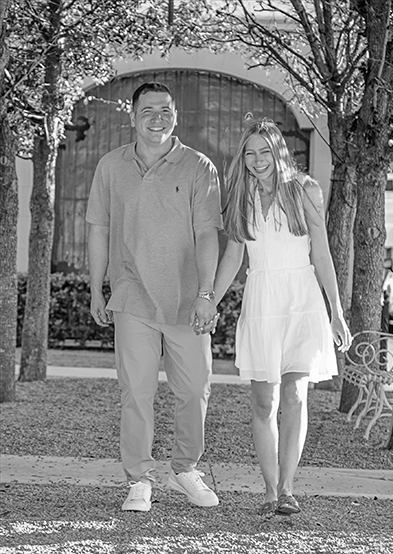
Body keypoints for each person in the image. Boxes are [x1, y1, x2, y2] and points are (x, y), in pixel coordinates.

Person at [86, 81, 223, 512]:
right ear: (133, 115)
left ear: (176, 115)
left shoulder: (199, 166)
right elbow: (98, 230)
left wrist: (206, 293)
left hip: (187, 301)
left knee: (195, 390)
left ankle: (186, 470)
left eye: (166, 109)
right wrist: (96, 288)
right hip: (132, 298)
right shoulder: (110, 166)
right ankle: (139, 480)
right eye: (148, 110)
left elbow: (207, 233)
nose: (158, 117)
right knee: (136, 392)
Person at [207, 121, 350, 515]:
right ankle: (269, 489)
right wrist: (211, 301)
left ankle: (287, 489)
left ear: (278, 152)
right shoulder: (240, 194)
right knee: (264, 401)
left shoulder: (305, 191)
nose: (257, 161)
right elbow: (233, 256)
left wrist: (336, 311)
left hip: (302, 298)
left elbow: (322, 254)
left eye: (264, 152)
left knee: (296, 394)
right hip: (262, 298)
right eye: (250, 153)